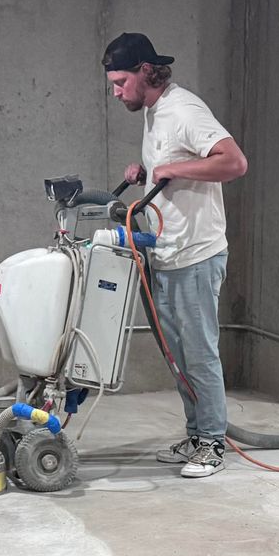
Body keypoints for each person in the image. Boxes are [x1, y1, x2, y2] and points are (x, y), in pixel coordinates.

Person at [103, 32, 247, 479]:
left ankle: (213, 443)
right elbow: (175, 163)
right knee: (177, 353)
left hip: (197, 254)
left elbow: (233, 162)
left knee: (199, 353)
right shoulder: (153, 111)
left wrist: (173, 168)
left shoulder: (184, 110)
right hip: (167, 252)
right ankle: (197, 433)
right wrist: (147, 172)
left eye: (121, 81)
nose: (116, 91)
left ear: (147, 72)